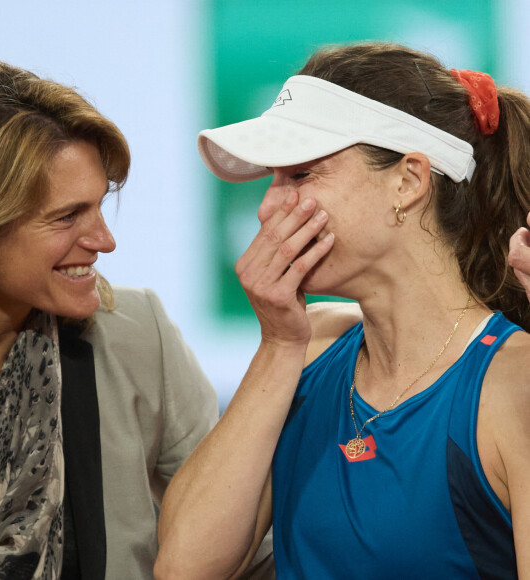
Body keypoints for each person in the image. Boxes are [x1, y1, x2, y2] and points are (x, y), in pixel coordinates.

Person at [155, 42, 530, 579]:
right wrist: (279, 344)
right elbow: (183, 568)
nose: (267, 207)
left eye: (301, 175)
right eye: (273, 179)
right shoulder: (308, 346)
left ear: (408, 181)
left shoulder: (516, 378)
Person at [0, 59, 277, 580]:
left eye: (101, 207)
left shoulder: (135, 334)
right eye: (66, 216)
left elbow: (247, 553)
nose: (104, 241)